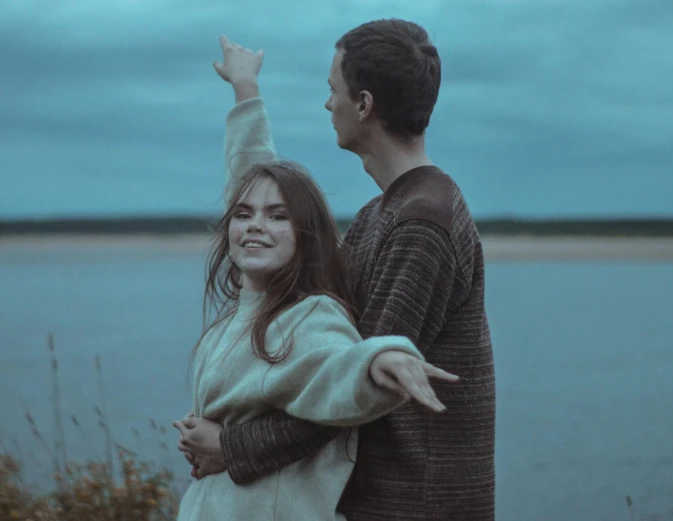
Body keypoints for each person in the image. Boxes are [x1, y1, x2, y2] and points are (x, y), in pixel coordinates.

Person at [178, 19, 496, 521]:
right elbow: (271, 223)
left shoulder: (421, 224)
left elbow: (350, 382)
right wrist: (246, 95)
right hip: (376, 499)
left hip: (415, 504)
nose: (328, 105)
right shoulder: (382, 214)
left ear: (364, 104)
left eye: (333, 91)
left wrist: (233, 447)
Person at [173, 158, 459, 520]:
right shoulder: (237, 316)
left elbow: (335, 370)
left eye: (278, 216)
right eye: (243, 214)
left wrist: (377, 360)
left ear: (305, 235)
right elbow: (249, 158)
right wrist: (246, 101)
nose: (256, 226)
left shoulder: (312, 316)